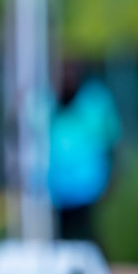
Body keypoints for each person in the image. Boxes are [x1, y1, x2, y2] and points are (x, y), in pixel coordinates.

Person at [49, 59, 120, 244]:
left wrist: (113, 178)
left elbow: (112, 142)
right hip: (55, 190)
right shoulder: (44, 102)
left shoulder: (95, 102)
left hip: (90, 187)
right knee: (61, 242)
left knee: (88, 238)